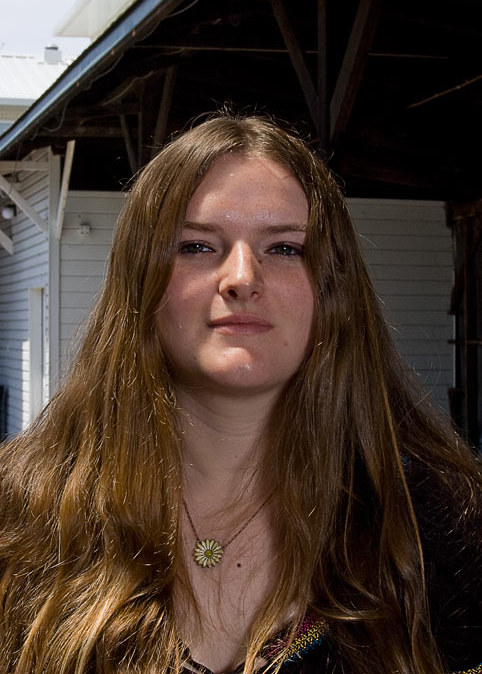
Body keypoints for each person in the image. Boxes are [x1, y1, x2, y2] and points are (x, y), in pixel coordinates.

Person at [0, 114, 480, 674]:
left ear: (333, 286)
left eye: (285, 248)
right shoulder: (21, 512)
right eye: (197, 245)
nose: (243, 277)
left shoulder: (440, 522)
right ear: (140, 282)